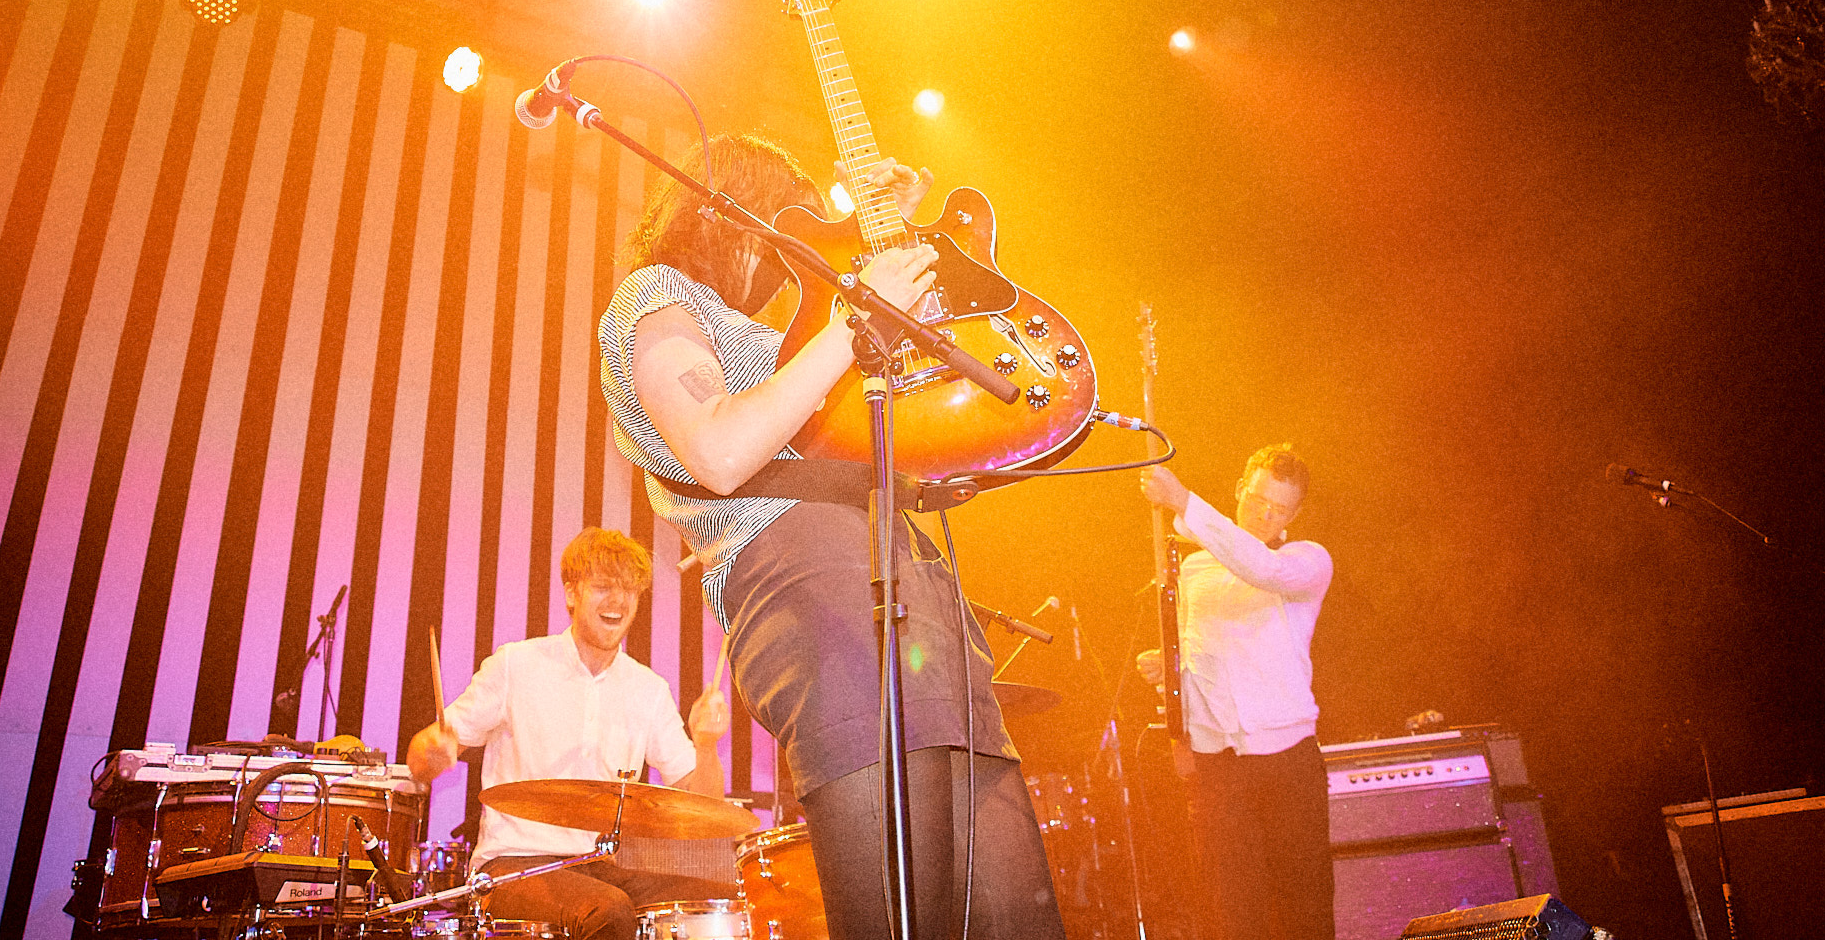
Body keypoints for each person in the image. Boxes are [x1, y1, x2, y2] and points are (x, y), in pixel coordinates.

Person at [596, 133, 1066, 940]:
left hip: (911, 584)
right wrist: (855, 314)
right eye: (787, 227)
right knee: (896, 919)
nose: (794, 253)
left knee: (1014, 920)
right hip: (813, 590)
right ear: (734, 217)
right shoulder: (656, 295)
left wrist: (886, 240)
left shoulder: (780, 333)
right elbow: (719, 448)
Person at [406, 527, 737, 940]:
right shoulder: (516, 665)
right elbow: (419, 762)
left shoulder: (648, 689)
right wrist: (432, 751)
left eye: (629, 590)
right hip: (511, 866)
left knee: (723, 902)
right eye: (603, 587)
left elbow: (704, 804)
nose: (618, 601)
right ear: (571, 594)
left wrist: (706, 745)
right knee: (607, 910)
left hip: (596, 866)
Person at [1137, 444, 1335, 940]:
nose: (1266, 514)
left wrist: (1184, 503)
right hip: (1217, 769)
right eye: (1259, 499)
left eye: (1280, 508)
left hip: (1288, 761)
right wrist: (1169, 673)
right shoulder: (1194, 571)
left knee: (1303, 910)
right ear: (1240, 490)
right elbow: (1198, 661)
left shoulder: (1306, 562)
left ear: (1294, 516)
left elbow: (1259, 569)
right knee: (1232, 914)